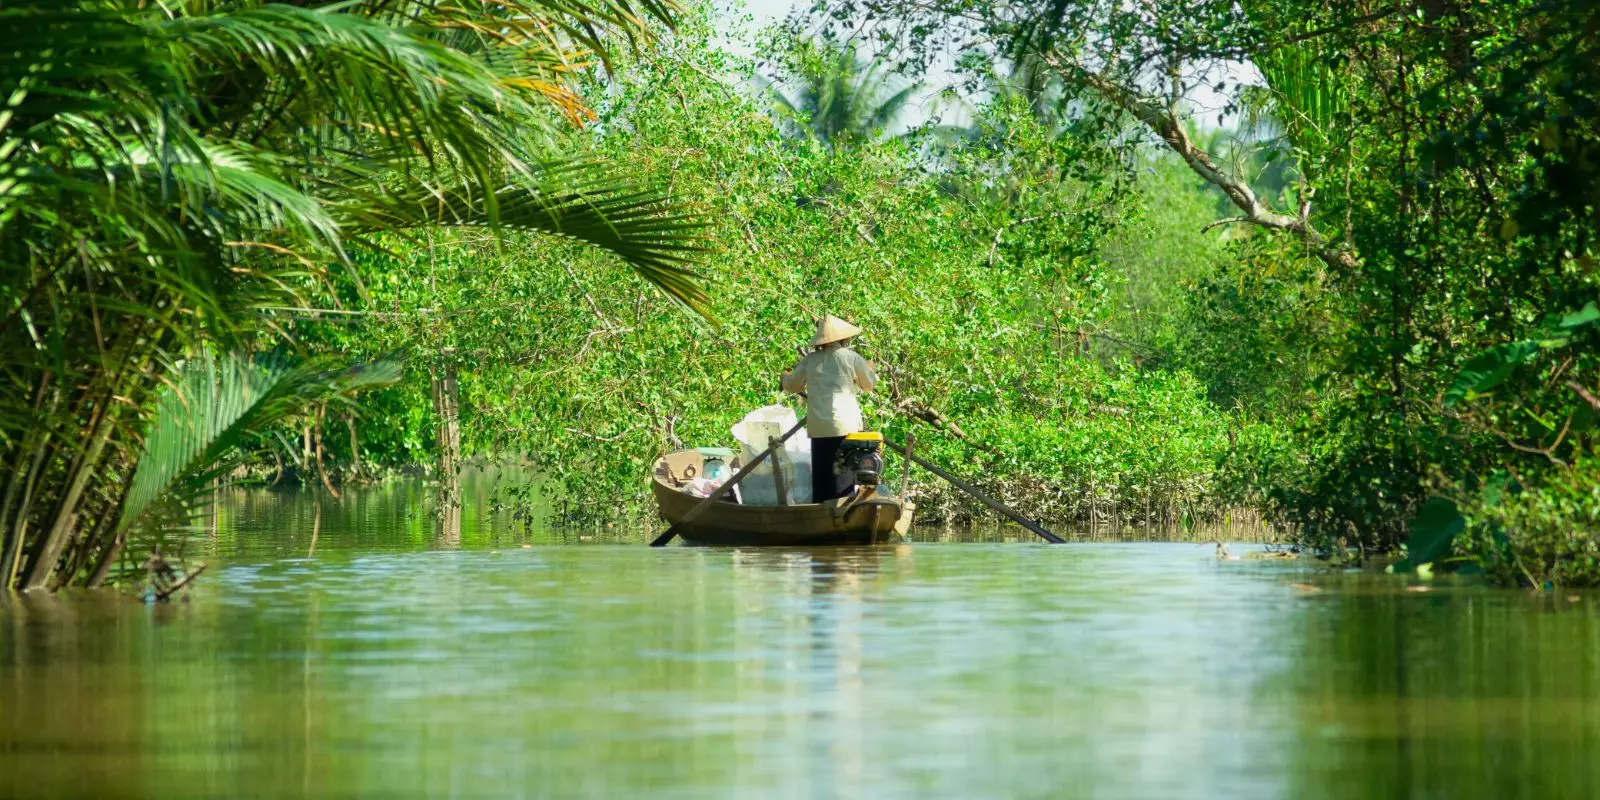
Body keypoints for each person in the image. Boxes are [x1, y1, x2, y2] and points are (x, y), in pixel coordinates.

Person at [780, 314, 878, 502]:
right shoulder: (851, 357)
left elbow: (793, 385)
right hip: (846, 426)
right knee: (844, 475)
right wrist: (870, 370)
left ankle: (821, 511)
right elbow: (869, 385)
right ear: (843, 339)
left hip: (820, 427)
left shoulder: (811, 360)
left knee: (823, 475)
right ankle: (843, 512)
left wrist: (784, 377)